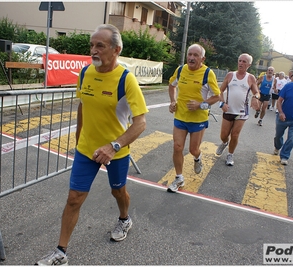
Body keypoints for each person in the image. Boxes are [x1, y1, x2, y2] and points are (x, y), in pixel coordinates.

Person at [36, 24, 148, 265]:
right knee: (74, 198)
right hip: (86, 149)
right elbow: (82, 106)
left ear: (116, 49)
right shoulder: (86, 72)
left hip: (116, 152)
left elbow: (140, 123)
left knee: (118, 191)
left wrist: (113, 147)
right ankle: (60, 252)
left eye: (100, 45)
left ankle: (124, 218)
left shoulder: (126, 80)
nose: (93, 51)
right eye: (91, 45)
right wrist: (79, 139)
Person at [167, 44, 221, 192]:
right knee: (177, 147)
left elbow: (217, 96)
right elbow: (171, 86)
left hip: (198, 119)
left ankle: (198, 157)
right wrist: (173, 101)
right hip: (180, 116)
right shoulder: (180, 70)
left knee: (193, 149)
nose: (191, 58)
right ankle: (179, 179)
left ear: (202, 58)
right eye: (189, 54)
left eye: (195, 55)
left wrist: (200, 104)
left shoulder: (207, 73)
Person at [216, 53, 260, 166]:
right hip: (228, 110)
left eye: (244, 61)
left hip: (241, 112)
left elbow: (257, 92)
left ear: (249, 65)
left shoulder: (250, 78)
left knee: (235, 135)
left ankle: (230, 154)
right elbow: (220, 91)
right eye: (240, 61)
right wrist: (222, 103)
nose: (241, 63)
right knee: (224, 135)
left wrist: (255, 98)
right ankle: (225, 143)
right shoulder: (230, 75)